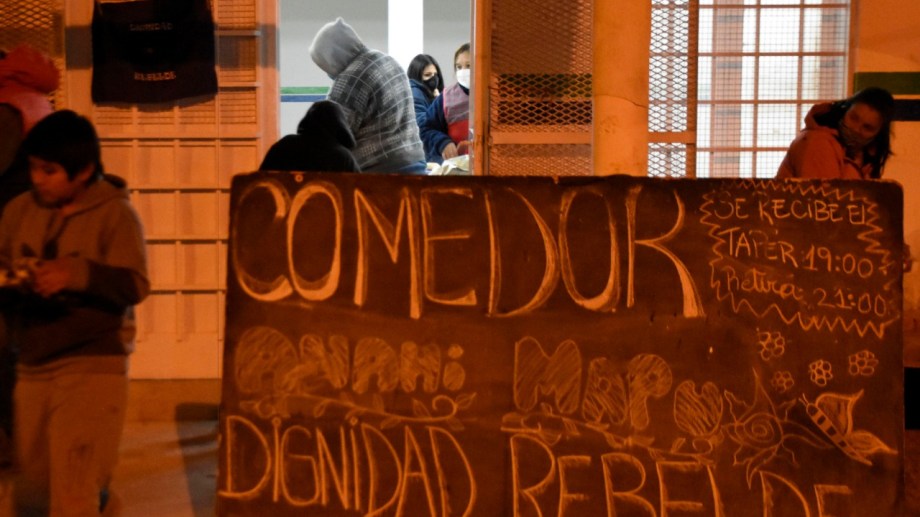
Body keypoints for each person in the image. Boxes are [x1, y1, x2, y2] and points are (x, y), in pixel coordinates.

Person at [0, 109, 149, 515]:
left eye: (49, 171)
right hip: (32, 361)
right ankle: (102, 503)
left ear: (83, 171)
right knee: (32, 488)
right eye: (33, 167)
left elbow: (135, 284)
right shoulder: (18, 211)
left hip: (93, 363)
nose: (37, 179)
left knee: (74, 485)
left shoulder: (116, 214)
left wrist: (77, 274)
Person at [0, 43, 59, 478]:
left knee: (4, 345)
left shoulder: (7, 107)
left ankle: (14, 445)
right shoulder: (37, 101)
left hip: (8, 233)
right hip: (33, 230)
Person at [309, 17, 426, 174]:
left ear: (330, 57)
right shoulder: (386, 59)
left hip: (380, 172)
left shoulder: (349, 80)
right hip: (415, 161)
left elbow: (331, 139)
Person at [776, 86, 895, 180]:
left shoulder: (859, 157)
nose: (856, 129)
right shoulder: (819, 143)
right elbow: (825, 199)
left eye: (867, 127)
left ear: (877, 136)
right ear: (845, 110)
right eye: (853, 118)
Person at [259, 100, 361, 173]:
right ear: (340, 124)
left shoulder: (284, 146)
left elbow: (260, 180)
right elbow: (360, 189)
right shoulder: (343, 157)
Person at [422, 43, 471, 163]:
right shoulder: (446, 97)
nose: (463, 71)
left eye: (469, 66)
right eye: (459, 67)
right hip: (457, 166)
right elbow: (425, 128)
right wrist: (443, 142)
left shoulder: (496, 95)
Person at [406, 54, 444, 163]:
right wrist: (438, 102)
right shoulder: (416, 93)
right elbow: (422, 124)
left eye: (435, 75)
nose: (433, 79)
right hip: (425, 157)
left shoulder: (430, 94)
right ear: (417, 76)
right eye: (427, 75)